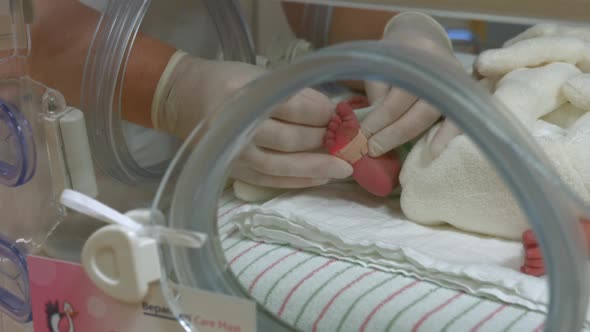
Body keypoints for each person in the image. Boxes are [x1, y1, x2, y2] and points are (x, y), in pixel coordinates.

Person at [28, 0, 459, 189]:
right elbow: (22, 22)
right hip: (60, 167)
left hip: (222, 169)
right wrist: (171, 89)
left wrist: (396, 34)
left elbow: (321, 8)